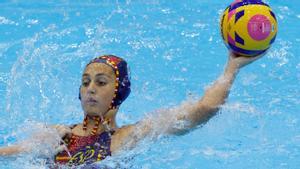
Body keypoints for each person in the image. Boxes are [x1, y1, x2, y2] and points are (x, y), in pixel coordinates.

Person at [0, 52, 263, 167]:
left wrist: (231, 69)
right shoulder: (55, 137)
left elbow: (203, 110)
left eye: (101, 82)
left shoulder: (127, 138)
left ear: (119, 92)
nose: (90, 88)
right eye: (85, 82)